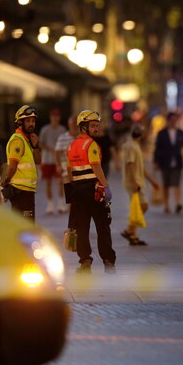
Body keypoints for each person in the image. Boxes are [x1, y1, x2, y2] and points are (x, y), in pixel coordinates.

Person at [67, 110, 116, 273]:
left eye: (97, 126)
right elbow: (96, 166)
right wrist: (106, 186)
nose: (96, 129)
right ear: (83, 127)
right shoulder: (91, 145)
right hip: (94, 191)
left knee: (81, 228)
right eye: (93, 126)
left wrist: (70, 195)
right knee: (102, 226)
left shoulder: (72, 145)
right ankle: (108, 261)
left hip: (77, 191)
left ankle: (85, 261)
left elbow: (69, 172)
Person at [121, 123, 160, 246]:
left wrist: (152, 181)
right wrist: (133, 182)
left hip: (137, 180)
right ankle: (129, 230)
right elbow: (130, 164)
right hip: (133, 181)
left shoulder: (135, 146)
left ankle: (133, 235)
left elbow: (140, 168)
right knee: (144, 205)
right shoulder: (131, 146)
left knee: (137, 207)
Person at [2, 106, 42, 221]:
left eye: (33, 121)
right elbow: (12, 165)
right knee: (25, 227)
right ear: (20, 122)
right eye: (28, 121)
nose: (31, 124)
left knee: (26, 226)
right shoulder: (18, 140)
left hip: (27, 191)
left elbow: (38, 161)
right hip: (20, 192)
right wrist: (6, 182)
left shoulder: (27, 140)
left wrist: (35, 146)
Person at [153, 111, 183, 214]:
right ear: (168, 121)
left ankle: (177, 204)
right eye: (171, 120)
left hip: (177, 161)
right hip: (165, 161)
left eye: (175, 120)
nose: (173, 122)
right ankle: (166, 205)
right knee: (166, 184)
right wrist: (156, 162)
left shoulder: (180, 133)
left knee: (176, 183)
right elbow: (157, 148)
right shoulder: (161, 133)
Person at [39, 109, 67, 214]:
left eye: (57, 116)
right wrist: (50, 149)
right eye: (53, 116)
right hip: (47, 159)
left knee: (61, 182)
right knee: (48, 182)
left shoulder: (62, 129)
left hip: (59, 160)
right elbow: (40, 143)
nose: (55, 118)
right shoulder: (45, 130)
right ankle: (50, 205)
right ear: (50, 117)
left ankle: (60, 204)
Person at [55, 115, 79, 212]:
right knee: (70, 198)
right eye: (72, 124)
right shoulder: (62, 138)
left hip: (81, 171)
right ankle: (71, 224)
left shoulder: (82, 138)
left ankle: (78, 223)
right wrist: (58, 165)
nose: (73, 126)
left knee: (79, 198)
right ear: (69, 125)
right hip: (66, 171)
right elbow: (57, 152)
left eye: (75, 124)